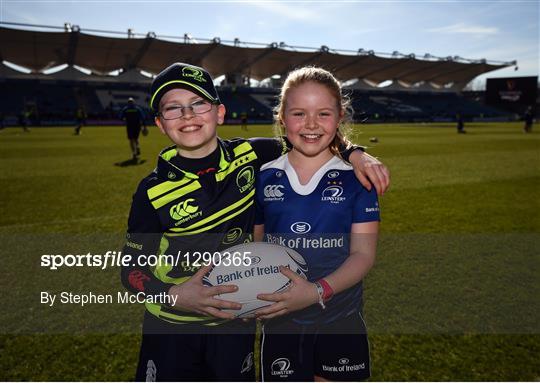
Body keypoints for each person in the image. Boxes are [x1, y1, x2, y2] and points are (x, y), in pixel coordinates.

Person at [119, 62, 389, 381]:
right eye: (173, 108)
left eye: (198, 104)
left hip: (236, 324)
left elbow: (310, 136)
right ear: (161, 124)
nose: (188, 115)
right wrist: (175, 295)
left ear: (220, 113)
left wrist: (356, 153)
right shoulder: (152, 191)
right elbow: (131, 268)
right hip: (171, 329)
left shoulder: (254, 155)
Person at [253, 67, 380, 381]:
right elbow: (257, 249)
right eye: (299, 113)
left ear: (340, 117)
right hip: (281, 321)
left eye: (323, 113)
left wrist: (316, 291)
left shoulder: (358, 179)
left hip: (340, 319)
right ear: (282, 116)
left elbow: (363, 255)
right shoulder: (264, 175)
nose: (310, 124)